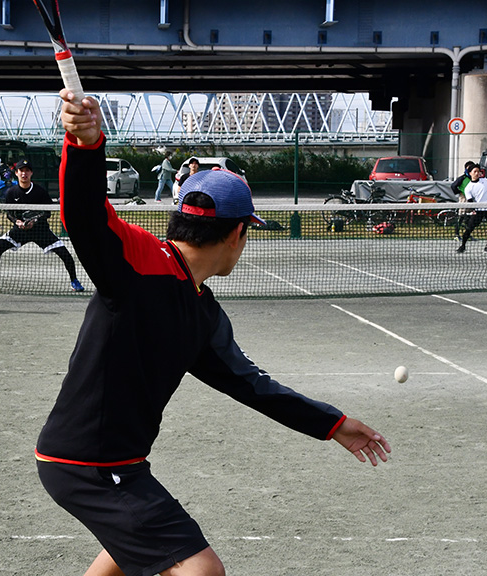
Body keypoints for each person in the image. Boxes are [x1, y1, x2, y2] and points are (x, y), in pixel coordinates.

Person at [36, 89, 391, 576]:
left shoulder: (201, 311)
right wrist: (85, 144)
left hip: (113, 461)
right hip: (90, 464)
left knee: (122, 559)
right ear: (237, 233)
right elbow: (84, 215)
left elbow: (251, 385)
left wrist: (331, 424)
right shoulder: (141, 261)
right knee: (203, 570)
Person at [0, 159, 84, 293]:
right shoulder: (11, 192)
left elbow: (48, 212)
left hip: (41, 230)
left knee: (65, 253)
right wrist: (17, 222)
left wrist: (34, 221)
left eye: (27, 171)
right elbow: (9, 213)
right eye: (21, 171)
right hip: (20, 231)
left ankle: (74, 281)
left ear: (31, 173)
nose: (24, 174)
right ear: (16, 173)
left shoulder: (40, 191)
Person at [449, 161, 477, 239]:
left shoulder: (474, 178)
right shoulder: (462, 178)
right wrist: (460, 192)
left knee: (469, 217)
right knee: (461, 216)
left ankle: (467, 234)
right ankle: (456, 235)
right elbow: (453, 186)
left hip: (471, 199)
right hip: (464, 199)